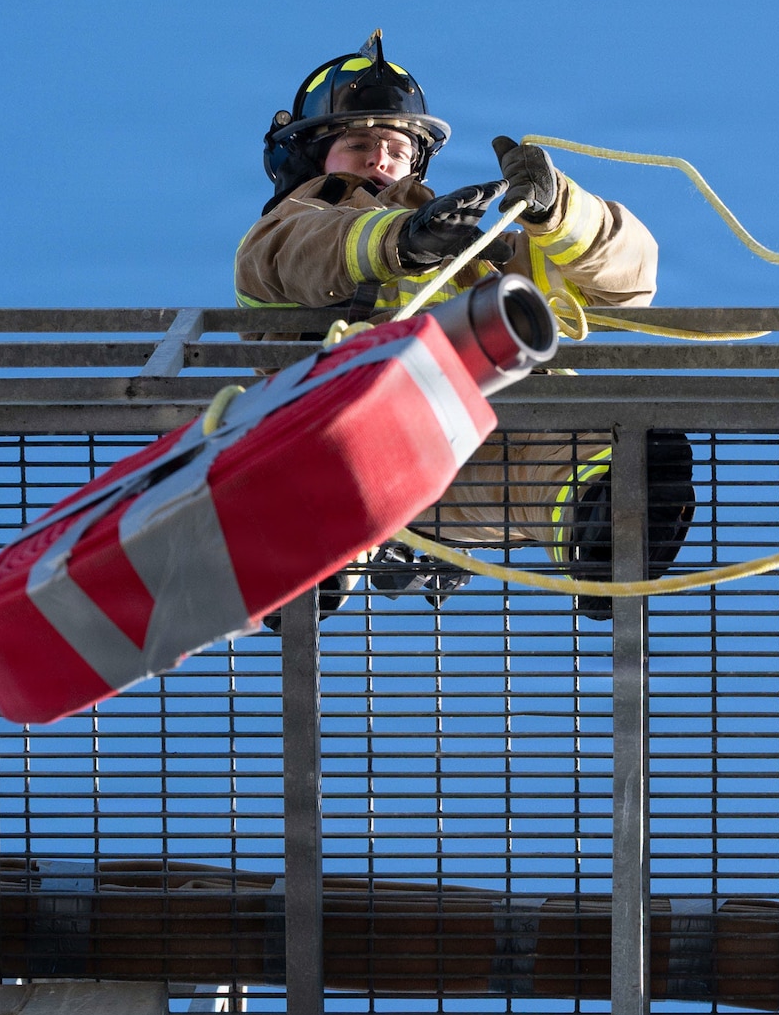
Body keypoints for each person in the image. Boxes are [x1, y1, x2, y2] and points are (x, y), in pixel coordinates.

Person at [237, 31, 692, 621]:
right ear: (309, 156)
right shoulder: (293, 225)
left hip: (473, 442)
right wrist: (403, 240)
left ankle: (603, 533)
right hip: (354, 437)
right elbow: (307, 254)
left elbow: (627, 289)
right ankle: (311, 548)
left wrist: (561, 214)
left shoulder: (472, 255)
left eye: (396, 148)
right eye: (358, 142)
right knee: (343, 469)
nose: (380, 158)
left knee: (601, 457)